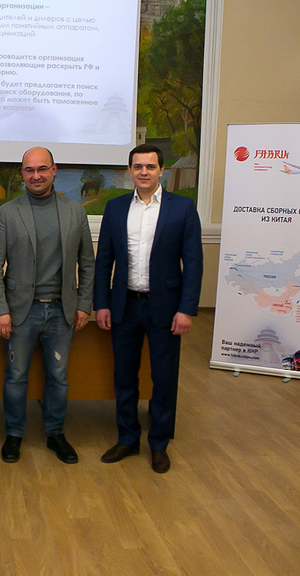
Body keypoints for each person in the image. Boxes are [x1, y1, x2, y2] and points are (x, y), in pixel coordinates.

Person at [94, 144, 202, 474]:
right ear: (130, 171)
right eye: (138, 166)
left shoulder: (182, 208)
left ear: (161, 171)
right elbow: (104, 261)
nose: (144, 172)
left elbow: (193, 263)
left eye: (150, 167)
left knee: (163, 379)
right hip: (124, 306)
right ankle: (127, 438)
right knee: (124, 377)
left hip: (166, 309)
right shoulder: (115, 208)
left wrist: (187, 309)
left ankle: (158, 444)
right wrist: (101, 303)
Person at [0, 147, 95, 464]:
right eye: (29, 170)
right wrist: (0, 310)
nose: (36, 176)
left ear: (54, 170)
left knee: (58, 377)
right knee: (16, 376)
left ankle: (55, 433)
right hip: (21, 312)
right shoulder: (8, 213)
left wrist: (84, 304)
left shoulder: (75, 212)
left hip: (62, 311)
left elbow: (87, 263)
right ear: (22, 173)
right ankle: (14, 434)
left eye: (42, 169)